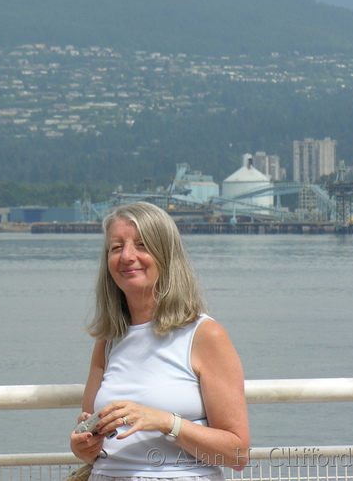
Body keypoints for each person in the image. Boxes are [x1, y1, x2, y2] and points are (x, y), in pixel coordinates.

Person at [70, 201, 250, 480]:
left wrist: (165, 422)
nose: (127, 256)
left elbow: (236, 455)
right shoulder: (108, 341)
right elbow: (88, 440)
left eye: (141, 245)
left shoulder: (204, 335)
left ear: (166, 256)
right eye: (117, 247)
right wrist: (82, 445)